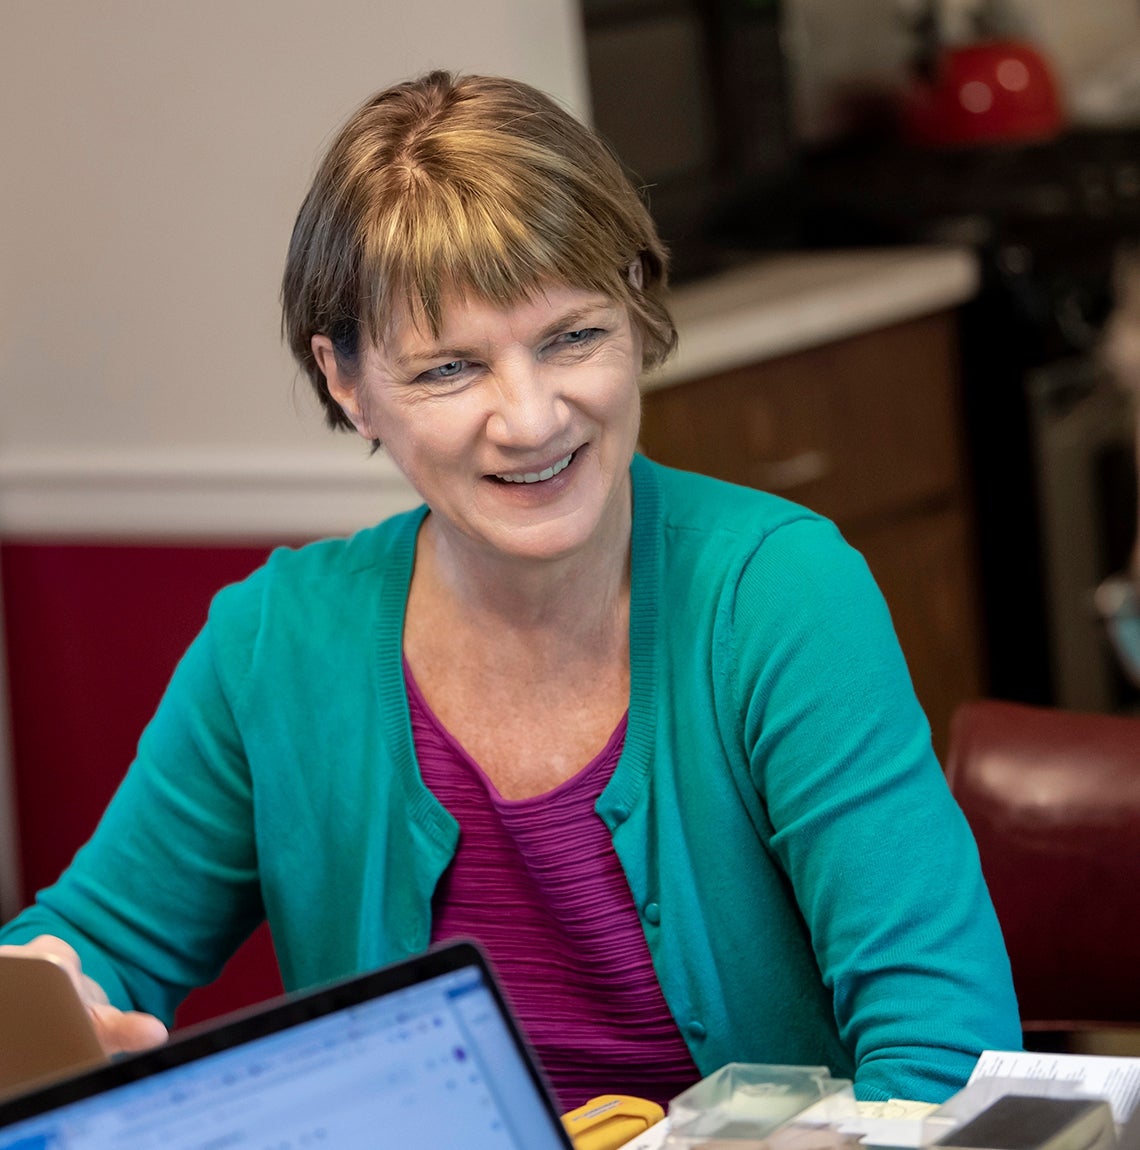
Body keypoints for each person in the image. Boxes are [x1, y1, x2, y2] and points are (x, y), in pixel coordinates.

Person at [0, 70, 1021, 1110]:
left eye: (573, 337)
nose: (532, 420)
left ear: (634, 309)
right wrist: (62, 998)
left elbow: (945, 1057)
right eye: (449, 369)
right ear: (347, 381)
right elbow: (86, 952)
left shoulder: (779, 595)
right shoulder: (275, 643)